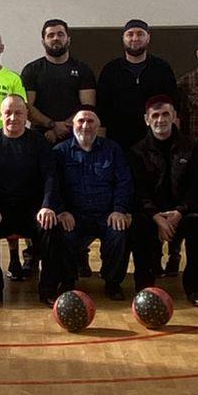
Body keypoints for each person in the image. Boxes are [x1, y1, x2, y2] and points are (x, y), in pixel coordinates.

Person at [0, 95, 62, 307]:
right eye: (8, 113)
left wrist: (47, 206)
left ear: (27, 115)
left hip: (33, 211)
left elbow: (50, 176)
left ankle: (48, 290)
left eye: (18, 113)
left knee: (51, 227)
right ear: (0, 115)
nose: (13, 117)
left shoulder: (39, 143)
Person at [128, 96, 198, 296]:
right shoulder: (137, 151)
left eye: (165, 114)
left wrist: (179, 213)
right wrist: (156, 217)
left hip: (183, 213)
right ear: (147, 119)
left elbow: (197, 187)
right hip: (151, 214)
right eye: (155, 115)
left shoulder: (193, 146)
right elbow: (138, 191)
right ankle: (145, 287)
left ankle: (194, 287)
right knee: (138, 225)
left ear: (174, 117)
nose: (160, 120)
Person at [53, 108, 134, 300]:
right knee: (62, 233)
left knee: (119, 232)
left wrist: (119, 210)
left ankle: (113, 283)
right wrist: (61, 211)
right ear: (72, 125)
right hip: (74, 215)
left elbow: (124, 182)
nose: (85, 125)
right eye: (81, 121)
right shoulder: (59, 152)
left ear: (98, 126)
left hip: (106, 214)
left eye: (90, 121)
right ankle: (68, 281)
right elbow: (53, 185)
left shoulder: (112, 149)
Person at [97, 20, 179, 150]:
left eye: (140, 34)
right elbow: (102, 110)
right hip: (118, 141)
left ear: (148, 38)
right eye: (130, 34)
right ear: (123, 38)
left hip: (155, 141)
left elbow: (174, 106)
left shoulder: (162, 68)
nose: (135, 38)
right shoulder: (110, 70)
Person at [20, 19, 97, 143]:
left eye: (60, 34)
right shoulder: (31, 70)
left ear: (68, 40)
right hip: (40, 136)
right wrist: (51, 125)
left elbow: (88, 106)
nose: (56, 38)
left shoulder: (83, 69)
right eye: (51, 35)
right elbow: (27, 106)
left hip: (75, 136)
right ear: (43, 42)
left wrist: (66, 126)